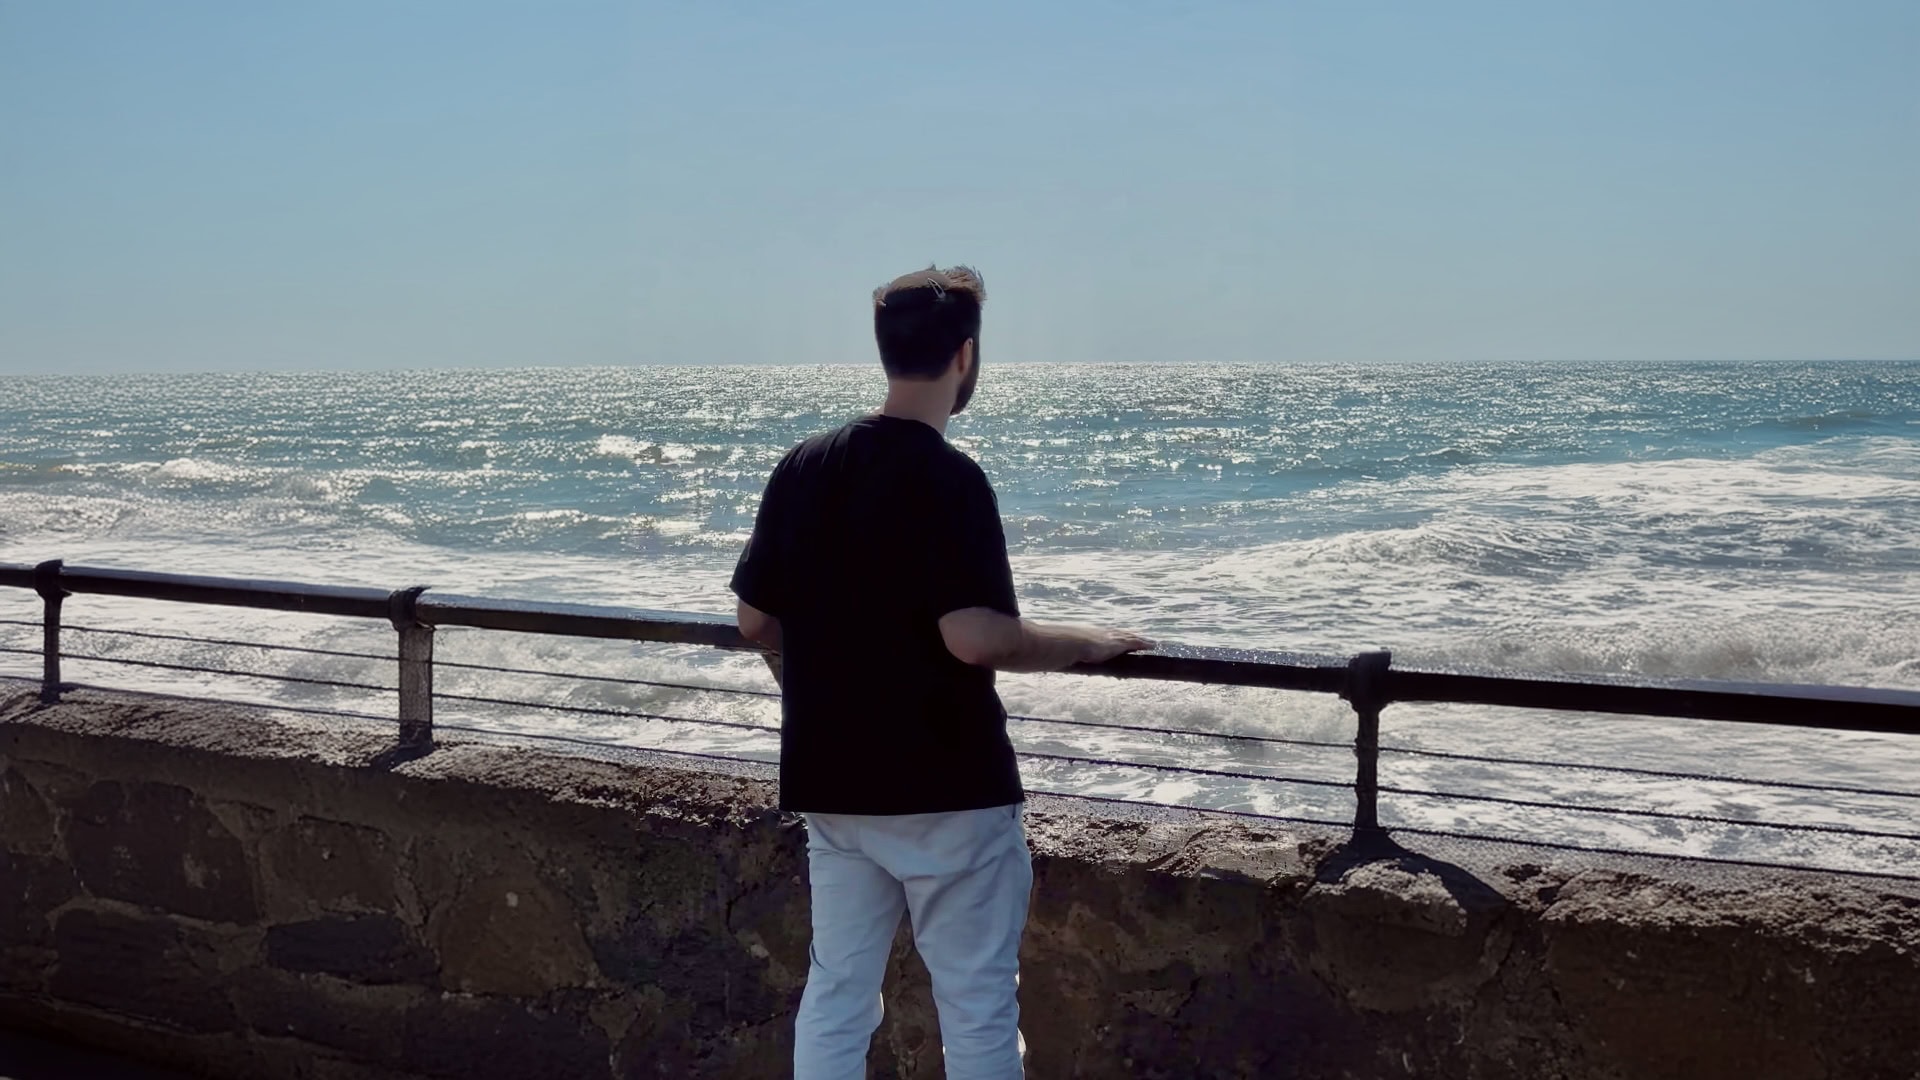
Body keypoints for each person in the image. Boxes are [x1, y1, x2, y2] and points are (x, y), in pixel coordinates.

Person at [730, 265, 1152, 1079]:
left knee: (838, 992)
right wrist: (1086, 640)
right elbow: (976, 637)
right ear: (966, 357)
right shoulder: (949, 478)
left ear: (886, 352)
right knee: (977, 1007)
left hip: (833, 783)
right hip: (948, 789)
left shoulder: (803, 467)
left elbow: (755, 621)